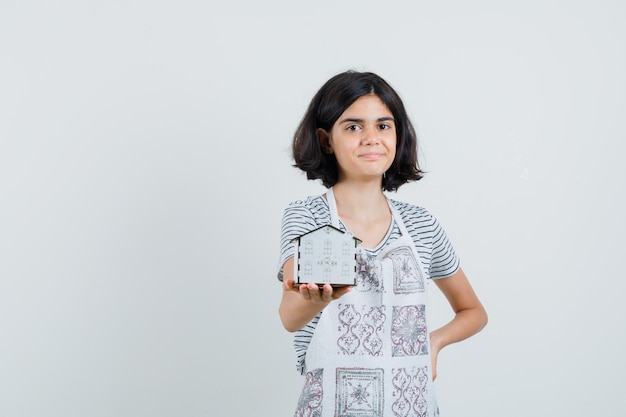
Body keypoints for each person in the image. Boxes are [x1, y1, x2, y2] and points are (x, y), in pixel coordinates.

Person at [277, 70, 487, 417]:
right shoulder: (308, 218)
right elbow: (289, 317)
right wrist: (316, 299)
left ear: (398, 135)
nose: (371, 138)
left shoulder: (421, 224)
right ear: (326, 139)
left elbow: (474, 312)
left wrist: (433, 342)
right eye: (354, 126)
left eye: (383, 125)